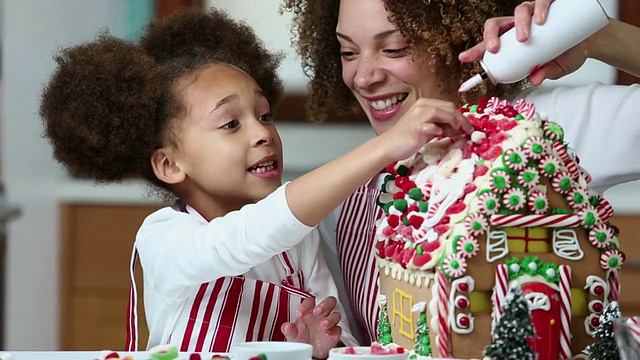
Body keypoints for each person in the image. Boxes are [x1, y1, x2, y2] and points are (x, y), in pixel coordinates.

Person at [39, 7, 471, 357]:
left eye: (264, 115)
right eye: (230, 123)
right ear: (170, 164)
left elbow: (345, 337)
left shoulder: (299, 244)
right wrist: (385, 147)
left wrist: (322, 347)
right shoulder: (165, 238)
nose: (263, 132)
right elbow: (247, 237)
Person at [282, 0, 640, 345]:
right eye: (348, 52)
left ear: (455, 36)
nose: (363, 77)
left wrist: (601, 38)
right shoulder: (343, 198)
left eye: (393, 48)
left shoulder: (546, 128)